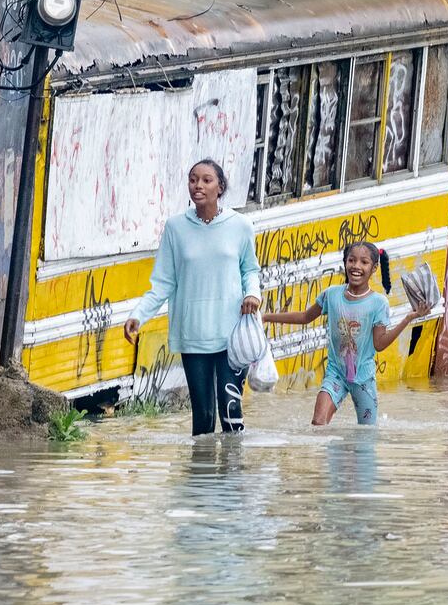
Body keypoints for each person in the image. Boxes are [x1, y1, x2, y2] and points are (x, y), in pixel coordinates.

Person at [123, 159, 261, 435]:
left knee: (231, 411)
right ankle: (202, 476)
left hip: (231, 335)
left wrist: (253, 295)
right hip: (193, 333)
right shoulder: (175, 228)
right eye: (193, 179)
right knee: (202, 416)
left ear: (220, 187)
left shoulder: (240, 225)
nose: (198, 185)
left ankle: (233, 476)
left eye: (206, 180)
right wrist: (139, 314)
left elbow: (250, 270)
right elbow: (163, 282)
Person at [263, 241, 429, 426]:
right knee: (318, 423)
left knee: (366, 436)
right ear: (345, 263)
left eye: (364, 262)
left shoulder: (378, 303)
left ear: (374, 268)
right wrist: (266, 317)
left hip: (363, 378)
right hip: (335, 374)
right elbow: (304, 317)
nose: (356, 266)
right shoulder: (331, 295)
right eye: (352, 260)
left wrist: (407, 319)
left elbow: (379, 344)